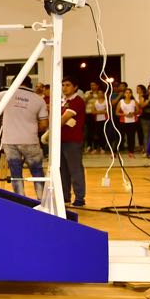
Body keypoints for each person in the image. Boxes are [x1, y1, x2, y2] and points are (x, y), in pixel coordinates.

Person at [0, 76, 48, 198]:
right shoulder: (39, 100)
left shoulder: (5, 94)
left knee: (15, 172)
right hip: (30, 141)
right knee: (37, 171)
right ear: (30, 84)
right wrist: (31, 130)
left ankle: (20, 199)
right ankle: (42, 199)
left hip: (9, 141)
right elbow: (44, 125)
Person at [58, 79, 86, 207]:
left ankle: (80, 197)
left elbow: (64, 118)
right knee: (62, 170)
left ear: (75, 87)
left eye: (68, 85)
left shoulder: (77, 101)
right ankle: (65, 196)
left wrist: (48, 133)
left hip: (73, 140)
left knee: (75, 169)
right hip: (60, 140)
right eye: (63, 85)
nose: (64, 88)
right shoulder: (62, 101)